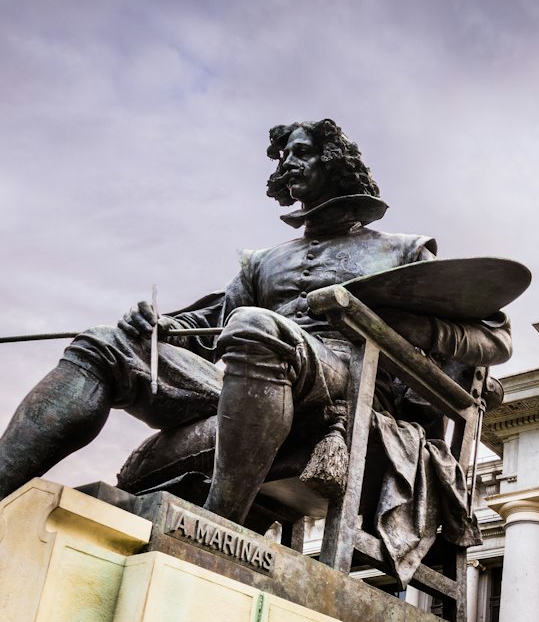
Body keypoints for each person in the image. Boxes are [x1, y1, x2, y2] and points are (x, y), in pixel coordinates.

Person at [0, 119, 511, 532]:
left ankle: (220, 528)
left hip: (347, 386)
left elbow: (494, 338)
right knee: (105, 342)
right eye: (283, 157)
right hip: (247, 369)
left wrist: (406, 325)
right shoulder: (262, 261)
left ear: (334, 163)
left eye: (300, 152)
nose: (288, 163)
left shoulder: (401, 250)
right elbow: (208, 328)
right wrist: (156, 328)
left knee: (255, 327)